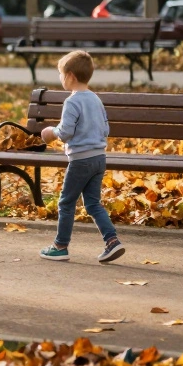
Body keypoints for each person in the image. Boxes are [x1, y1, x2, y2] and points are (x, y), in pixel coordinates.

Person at [38, 51, 125, 264]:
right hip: (99, 158)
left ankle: (60, 246)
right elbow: (106, 129)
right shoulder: (96, 99)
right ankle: (112, 241)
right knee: (93, 203)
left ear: (71, 76)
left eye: (61, 74)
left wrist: (51, 132)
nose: (60, 78)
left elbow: (66, 131)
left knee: (66, 202)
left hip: (81, 160)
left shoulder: (72, 102)